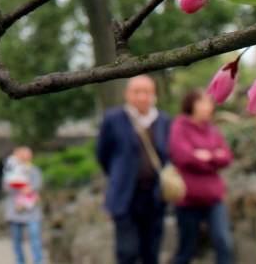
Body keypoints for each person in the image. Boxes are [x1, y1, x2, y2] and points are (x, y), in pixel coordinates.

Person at [96, 75, 172, 264]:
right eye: (136, 92)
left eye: (146, 92)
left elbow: (167, 154)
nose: (141, 97)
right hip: (124, 195)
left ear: (154, 94)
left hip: (154, 197)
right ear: (127, 94)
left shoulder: (163, 120)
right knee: (127, 251)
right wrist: (116, 175)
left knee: (151, 251)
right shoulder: (113, 119)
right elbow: (102, 153)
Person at [168, 88, 234, 264]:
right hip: (188, 199)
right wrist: (214, 158)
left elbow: (227, 157)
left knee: (224, 243)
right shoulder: (179, 127)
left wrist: (208, 156)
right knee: (187, 249)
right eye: (203, 102)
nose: (207, 107)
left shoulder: (212, 129)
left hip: (213, 198)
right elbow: (184, 157)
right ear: (191, 104)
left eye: (209, 103)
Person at [3, 146, 44, 264]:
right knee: (16, 239)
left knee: (35, 235)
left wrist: (29, 189)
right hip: (15, 208)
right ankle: (20, 261)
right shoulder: (10, 169)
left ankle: (38, 260)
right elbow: (6, 186)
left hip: (31, 208)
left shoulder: (34, 170)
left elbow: (38, 184)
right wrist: (17, 186)